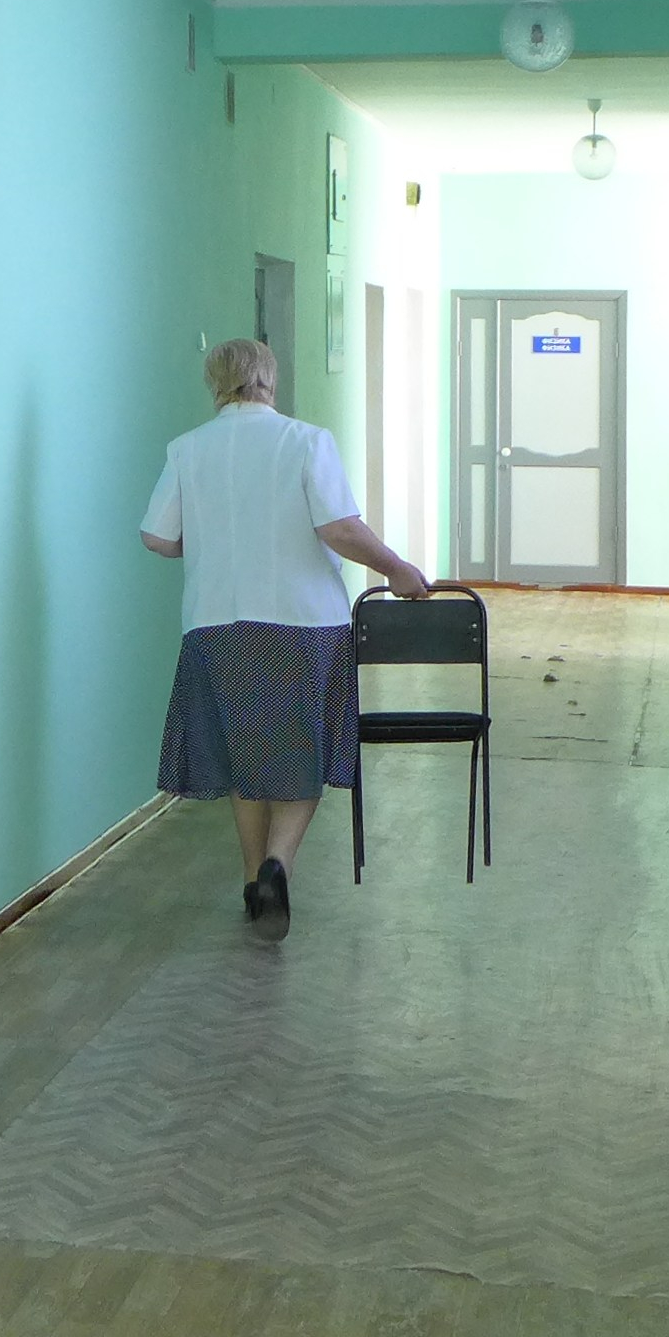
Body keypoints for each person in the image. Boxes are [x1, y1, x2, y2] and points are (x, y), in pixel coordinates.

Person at [140, 337, 428, 938]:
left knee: (245, 754)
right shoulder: (305, 441)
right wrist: (396, 569)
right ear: (269, 379)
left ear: (215, 384)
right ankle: (278, 864)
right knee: (302, 751)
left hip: (216, 624)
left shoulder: (188, 447)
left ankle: (253, 883)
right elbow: (339, 528)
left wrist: (218, 541)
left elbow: (159, 538)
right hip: (304, 624)